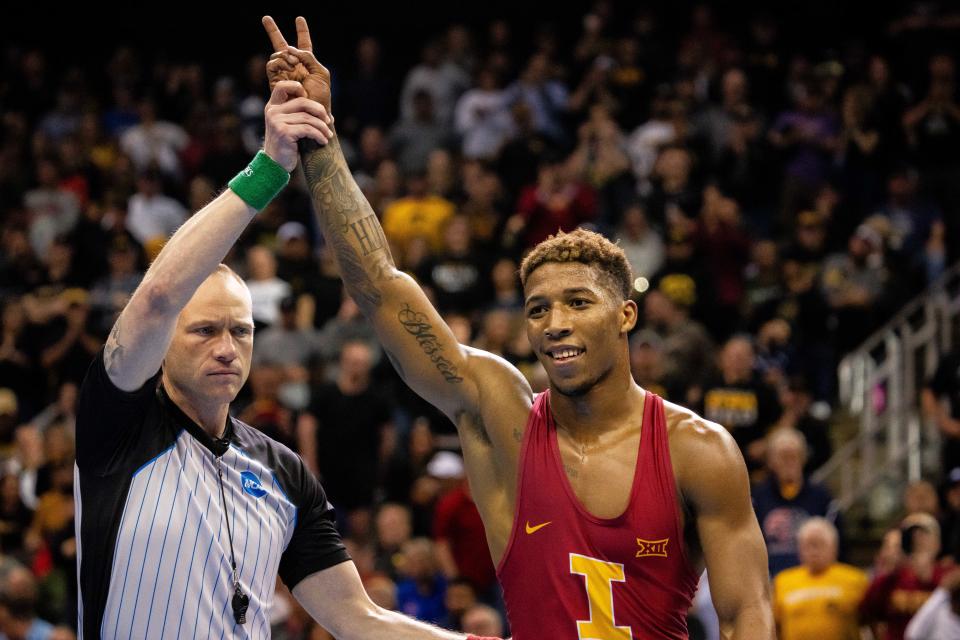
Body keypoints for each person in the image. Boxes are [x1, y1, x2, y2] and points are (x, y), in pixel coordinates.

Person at [264, 16, 773, 638]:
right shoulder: (500, 415)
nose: (554, 323)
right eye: (538, 309)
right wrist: (322, 141)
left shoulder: (700, 451)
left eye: (578, 303)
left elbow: (748, 612)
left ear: (626, 315)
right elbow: (379, 283)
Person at [74, 59, 499, 640]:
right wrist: (270, 167)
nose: (227, 348)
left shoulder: (284, 473)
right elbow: (157, 296)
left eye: (241, 331)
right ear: (163, 341)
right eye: (204, 330)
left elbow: (360, 619)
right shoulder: (116, 425)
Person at [772, 517, 868, 640]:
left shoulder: (856, 579)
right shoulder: (782, 581)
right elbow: (775, 626)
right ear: (799, 549)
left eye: (819, 544)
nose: (813, 551)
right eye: (808, 544)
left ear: (834, 547)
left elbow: (870, 621)